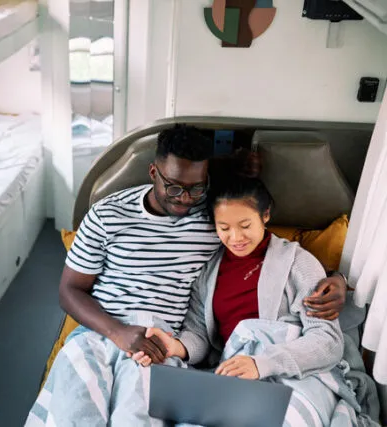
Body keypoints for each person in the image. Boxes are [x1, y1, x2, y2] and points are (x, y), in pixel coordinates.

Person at [25, 125, 348, 427]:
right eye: (174, 187)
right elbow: (69, 291)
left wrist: (338, 280)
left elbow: (265, 245)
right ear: (154, 172)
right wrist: (118, 332)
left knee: (133, 416)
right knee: (73, 412)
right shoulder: (106, 214)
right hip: (101, 329)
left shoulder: (213, 215)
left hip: (159, 340)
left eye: (196, 189)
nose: (184, 199)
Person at [133, 176, 376, 426]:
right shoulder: (207, 273)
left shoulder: (299, 263)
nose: (236, 237)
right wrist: (175, 347)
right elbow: (199, 335)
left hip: (297, 374)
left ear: (266, 215)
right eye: (224, 228)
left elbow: (327, 342)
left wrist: (262, 364)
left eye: (245, 225)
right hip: (236, 375)